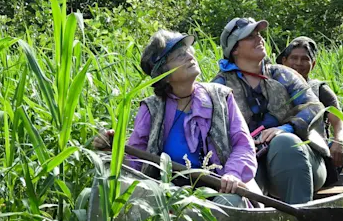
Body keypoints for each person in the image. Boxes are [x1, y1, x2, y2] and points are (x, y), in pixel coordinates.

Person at [93, 30, 259, 207]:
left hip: (220, 190)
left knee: (230, 202)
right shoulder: (152, 109)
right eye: (179, 55)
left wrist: (233, 174)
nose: (189, 56)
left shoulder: (221, 97)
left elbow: (243, 143)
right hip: (170, 195)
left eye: (188, 51)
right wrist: (113, 151)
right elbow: (137, 162)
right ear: (164, 74)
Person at [213, 17, 332, 204]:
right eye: (250, 37)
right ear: (234, 48)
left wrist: (286, 129)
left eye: (259, 34)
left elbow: (313, 108)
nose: (259, 39)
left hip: (300, 163)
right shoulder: (219, 87)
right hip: (251, 164)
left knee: (285, 142)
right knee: (239, 178)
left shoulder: (282, 75)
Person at [277, 36, 343, 173]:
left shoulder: (319, 89)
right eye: (294, 58)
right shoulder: (273, 87)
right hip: (281, 147)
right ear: (284, 61)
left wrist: (339, 142)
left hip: (315, 148)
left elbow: (340, 123)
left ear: (313, 64)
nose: (299, 63)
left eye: (305, 59)